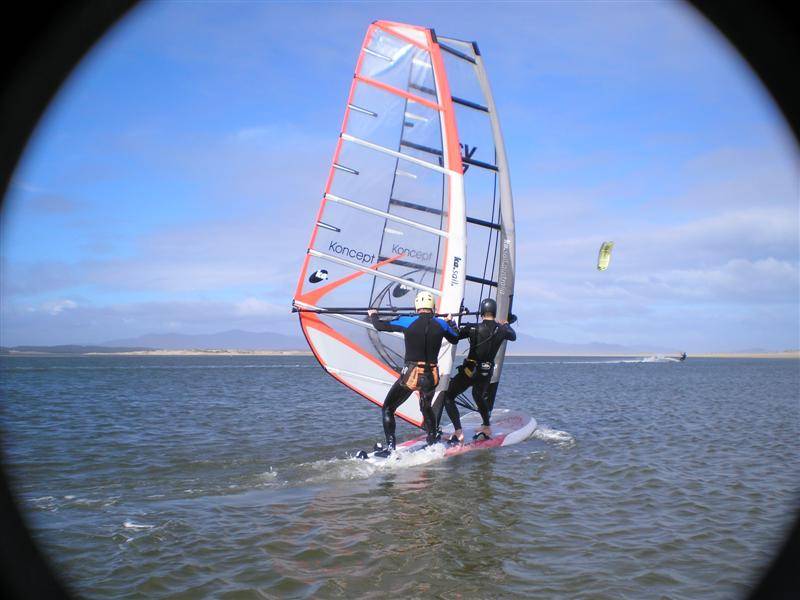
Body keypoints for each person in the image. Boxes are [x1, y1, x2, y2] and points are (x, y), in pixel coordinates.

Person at [368, 291, 459, 457]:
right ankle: (433, 441)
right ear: (433, 307)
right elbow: (455, 338)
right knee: (426, 406)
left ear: (417, 307)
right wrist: (451, 321)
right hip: (431, 375)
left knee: (388, 408)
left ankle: (390, 448)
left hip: (411, 373)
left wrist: (373, 315)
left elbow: (379, 326)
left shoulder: (407, 320)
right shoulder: (441, 324)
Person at [440, 297, 516, 444]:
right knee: (478, 396)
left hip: (470, 372)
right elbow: (513, 336)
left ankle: (458, 432)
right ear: (494, 312)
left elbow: (455, 337)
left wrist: (450, 322)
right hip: (486, 373)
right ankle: (486, 427)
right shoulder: (501, 330)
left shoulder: (473, 328)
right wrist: (506, 325)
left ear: (482, 312)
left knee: (448, 396)